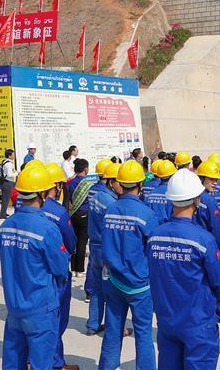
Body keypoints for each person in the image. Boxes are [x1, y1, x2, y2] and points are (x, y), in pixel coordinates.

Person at [148, 169, 220, 368]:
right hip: (197, 321)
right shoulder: (204, 240)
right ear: (196, 200)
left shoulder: (155, 237)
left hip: (167, 319)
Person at [0, 165, 70, 370]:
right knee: (41, 364)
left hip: (14, 306)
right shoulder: (47, 228)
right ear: (42, 193)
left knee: (13, 362)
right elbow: (60, 268)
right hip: (40, 307)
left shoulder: (6, 226)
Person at [99, 160, 156, 370]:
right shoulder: (146, 214)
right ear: (140, 184)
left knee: (113, 331)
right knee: (143, 334)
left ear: (120, 183)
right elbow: (152, 250)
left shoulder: (110, 210)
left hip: (112, 280)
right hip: (139, 284)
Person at [41, 164, 79, 370]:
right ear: (55, 186)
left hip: (34, 271)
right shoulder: (58, 212)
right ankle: (56, 363)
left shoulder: (24, 208)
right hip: (57, 273)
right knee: (56, 320)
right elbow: (71, 242)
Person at [86, 161, 120, 335]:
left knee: (96, 290)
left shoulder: (97, 197)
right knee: (112, 291)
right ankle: (113, 328)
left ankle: (93, 324)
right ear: (110, 182)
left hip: (94, 247)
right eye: (118, 181)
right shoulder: (111, 203)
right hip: (106, 250)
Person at [66, 158, 95, 277]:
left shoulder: (70, 182)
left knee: (74, 240)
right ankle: (80, 270)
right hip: (85, 214)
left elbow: (69, 199)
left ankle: (73, 268)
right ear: (85, 169)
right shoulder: (88, 183)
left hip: (73, 214)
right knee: (82, 242)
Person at [0, 149, 17, 219]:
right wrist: (16, 173)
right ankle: (2, 216)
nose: (14, 156)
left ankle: (4, 213)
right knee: (5, 199)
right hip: (7, 183)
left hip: (5, 182)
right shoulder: (9, 164)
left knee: (5, 199)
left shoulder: (5, 162)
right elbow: (9, 175)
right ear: (9, 155)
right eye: (13, 154)